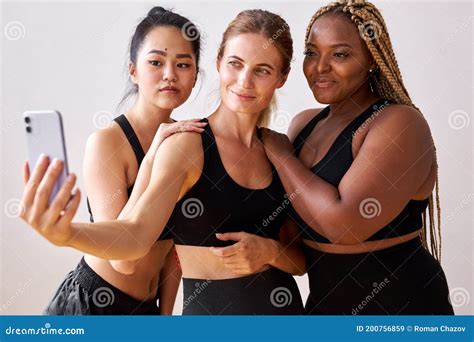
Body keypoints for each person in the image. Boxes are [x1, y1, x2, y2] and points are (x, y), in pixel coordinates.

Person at [20, 9, 305, 315]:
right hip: (98, 304)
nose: (245, 81)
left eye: (262, 70)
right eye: (235, 64)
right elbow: (133, 238)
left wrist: (270, 251)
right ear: (219, 63)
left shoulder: (277, 146)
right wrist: (68, 234)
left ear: (282, 77)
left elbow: (300, 260)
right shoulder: (180, 143)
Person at [261, 0, 454, 315]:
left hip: (401, 308)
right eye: (311, 53)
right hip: (326, 306)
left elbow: (344, 225)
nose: (320, 67)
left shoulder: (398, 122)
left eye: (340, 54)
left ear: (372, 60)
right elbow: (292, 231)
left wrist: (280, 154)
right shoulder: (303, 125)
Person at [29, 6, 206, 315]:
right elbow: (123, 260)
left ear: (195, 75)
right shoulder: (107, 142)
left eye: (183, 64)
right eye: (155, 62)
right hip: (92, 305)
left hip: (145, 310)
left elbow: (173, 247)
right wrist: (150, 160)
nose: (169, 74)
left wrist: (164, 316)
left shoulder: (185, 142)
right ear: (133, 70)